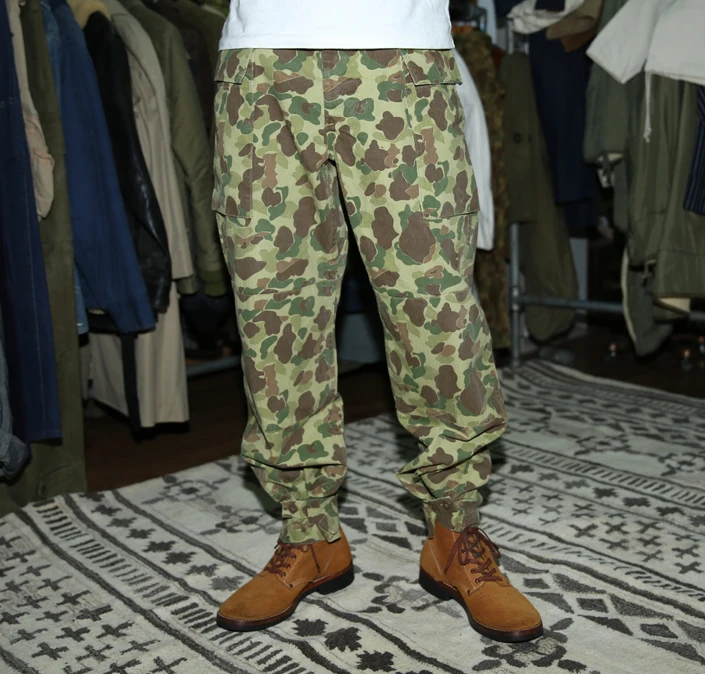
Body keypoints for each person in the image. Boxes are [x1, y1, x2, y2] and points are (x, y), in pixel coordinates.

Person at [212, 0, 543, 642]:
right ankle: (310, 535)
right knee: (273, 314)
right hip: (261, 64)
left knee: (435, 310)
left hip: (400, 55)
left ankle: (454, 535)